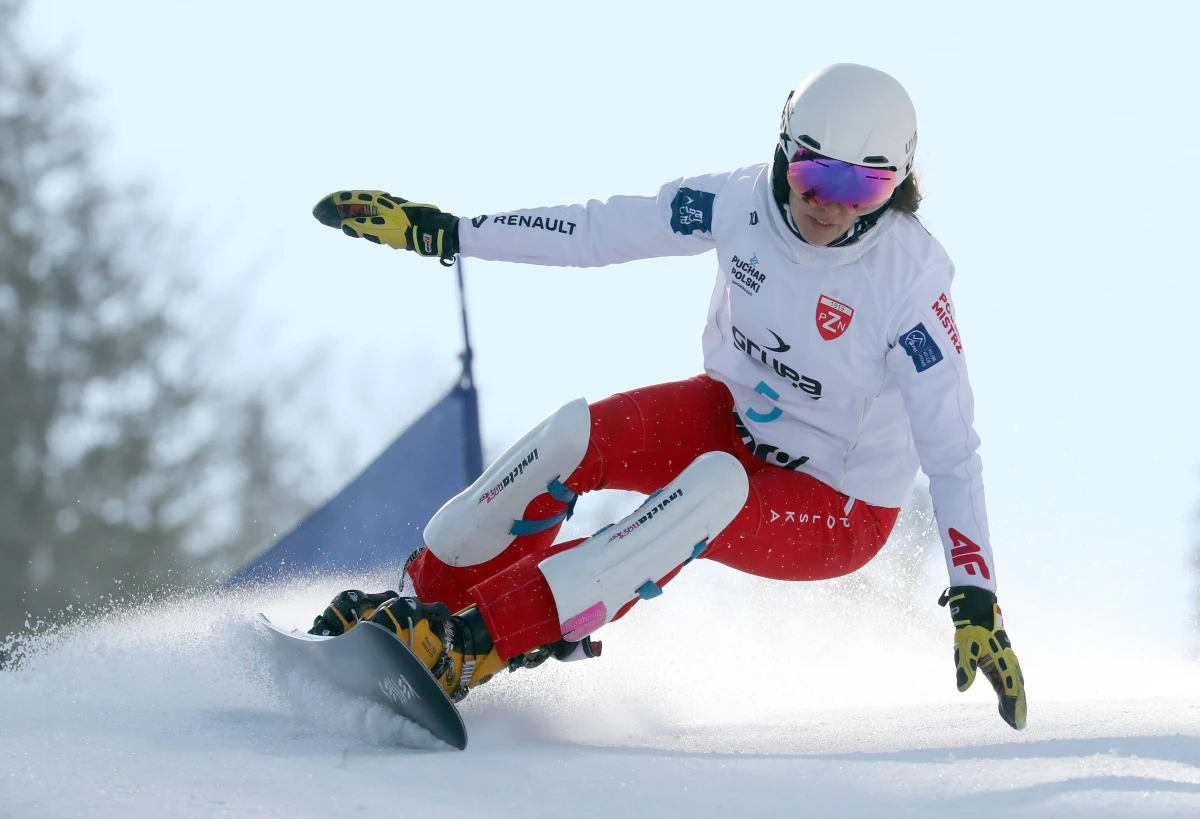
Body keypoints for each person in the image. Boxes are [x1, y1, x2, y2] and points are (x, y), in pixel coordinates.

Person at [307, 63, 1026, 729]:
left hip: (838, 501)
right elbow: (595, 230)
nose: (828, 206)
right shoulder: (737, 202)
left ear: (894, 186)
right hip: (731, 418)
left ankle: (470, 644)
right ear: (782, 151)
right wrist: (450, 233)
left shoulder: (909, 281)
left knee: (715, 485)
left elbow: (953, 452)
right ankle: (418, 607)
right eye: (812, 175)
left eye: (860, 189)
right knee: (569, 436)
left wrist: (976, 596)